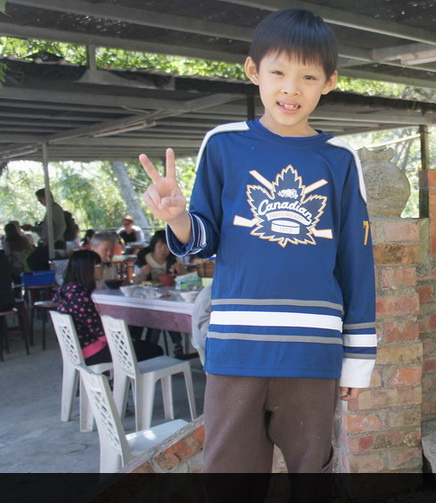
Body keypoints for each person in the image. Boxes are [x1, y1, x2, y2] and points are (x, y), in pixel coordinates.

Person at [138, 8, 377, 482]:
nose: (291, 88)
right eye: (279, 72)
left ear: (329, 82)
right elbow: (201, 241)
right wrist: (179, 218)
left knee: (313, 474)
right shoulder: (223, 145)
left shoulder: (340, 159)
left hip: (313, 352)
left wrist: (358, 360)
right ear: (254, 72)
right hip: (235, 350)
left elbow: (357, 261)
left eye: (308, 76)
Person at [54, 250, 163, 366]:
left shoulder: (67, 291)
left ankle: (127, 379)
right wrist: (124, 339)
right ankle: (130, 381)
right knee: (155, 350)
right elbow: (101, 333)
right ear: (86, 268)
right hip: (93, 352)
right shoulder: (81, 297)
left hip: (78, 350)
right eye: (98, 265)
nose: (102, 268)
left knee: (139, 344)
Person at [22, 188, 67, 252]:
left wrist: (52, 240)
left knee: (31, 259)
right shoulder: (50, 209)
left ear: (46, 197)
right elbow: (46, 229)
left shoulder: (56, 209)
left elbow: (62, 226)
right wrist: (32, 228)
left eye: (40, 200)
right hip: (49, 243)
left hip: (55, 244)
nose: (40, 202)